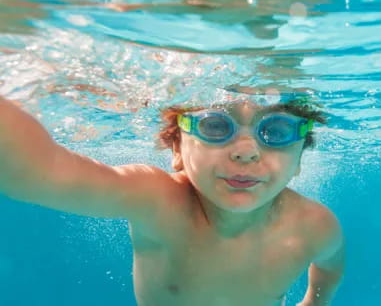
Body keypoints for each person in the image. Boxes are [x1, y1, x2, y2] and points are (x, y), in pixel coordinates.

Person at [0, 90, 345, 306]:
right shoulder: (158, 200)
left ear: (299, 158)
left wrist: (315, 301)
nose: (245, 152)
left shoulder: (314, 225)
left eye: (277, 130)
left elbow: (331, 264)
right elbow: (40, 173)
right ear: (177, 148)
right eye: (215, 126)